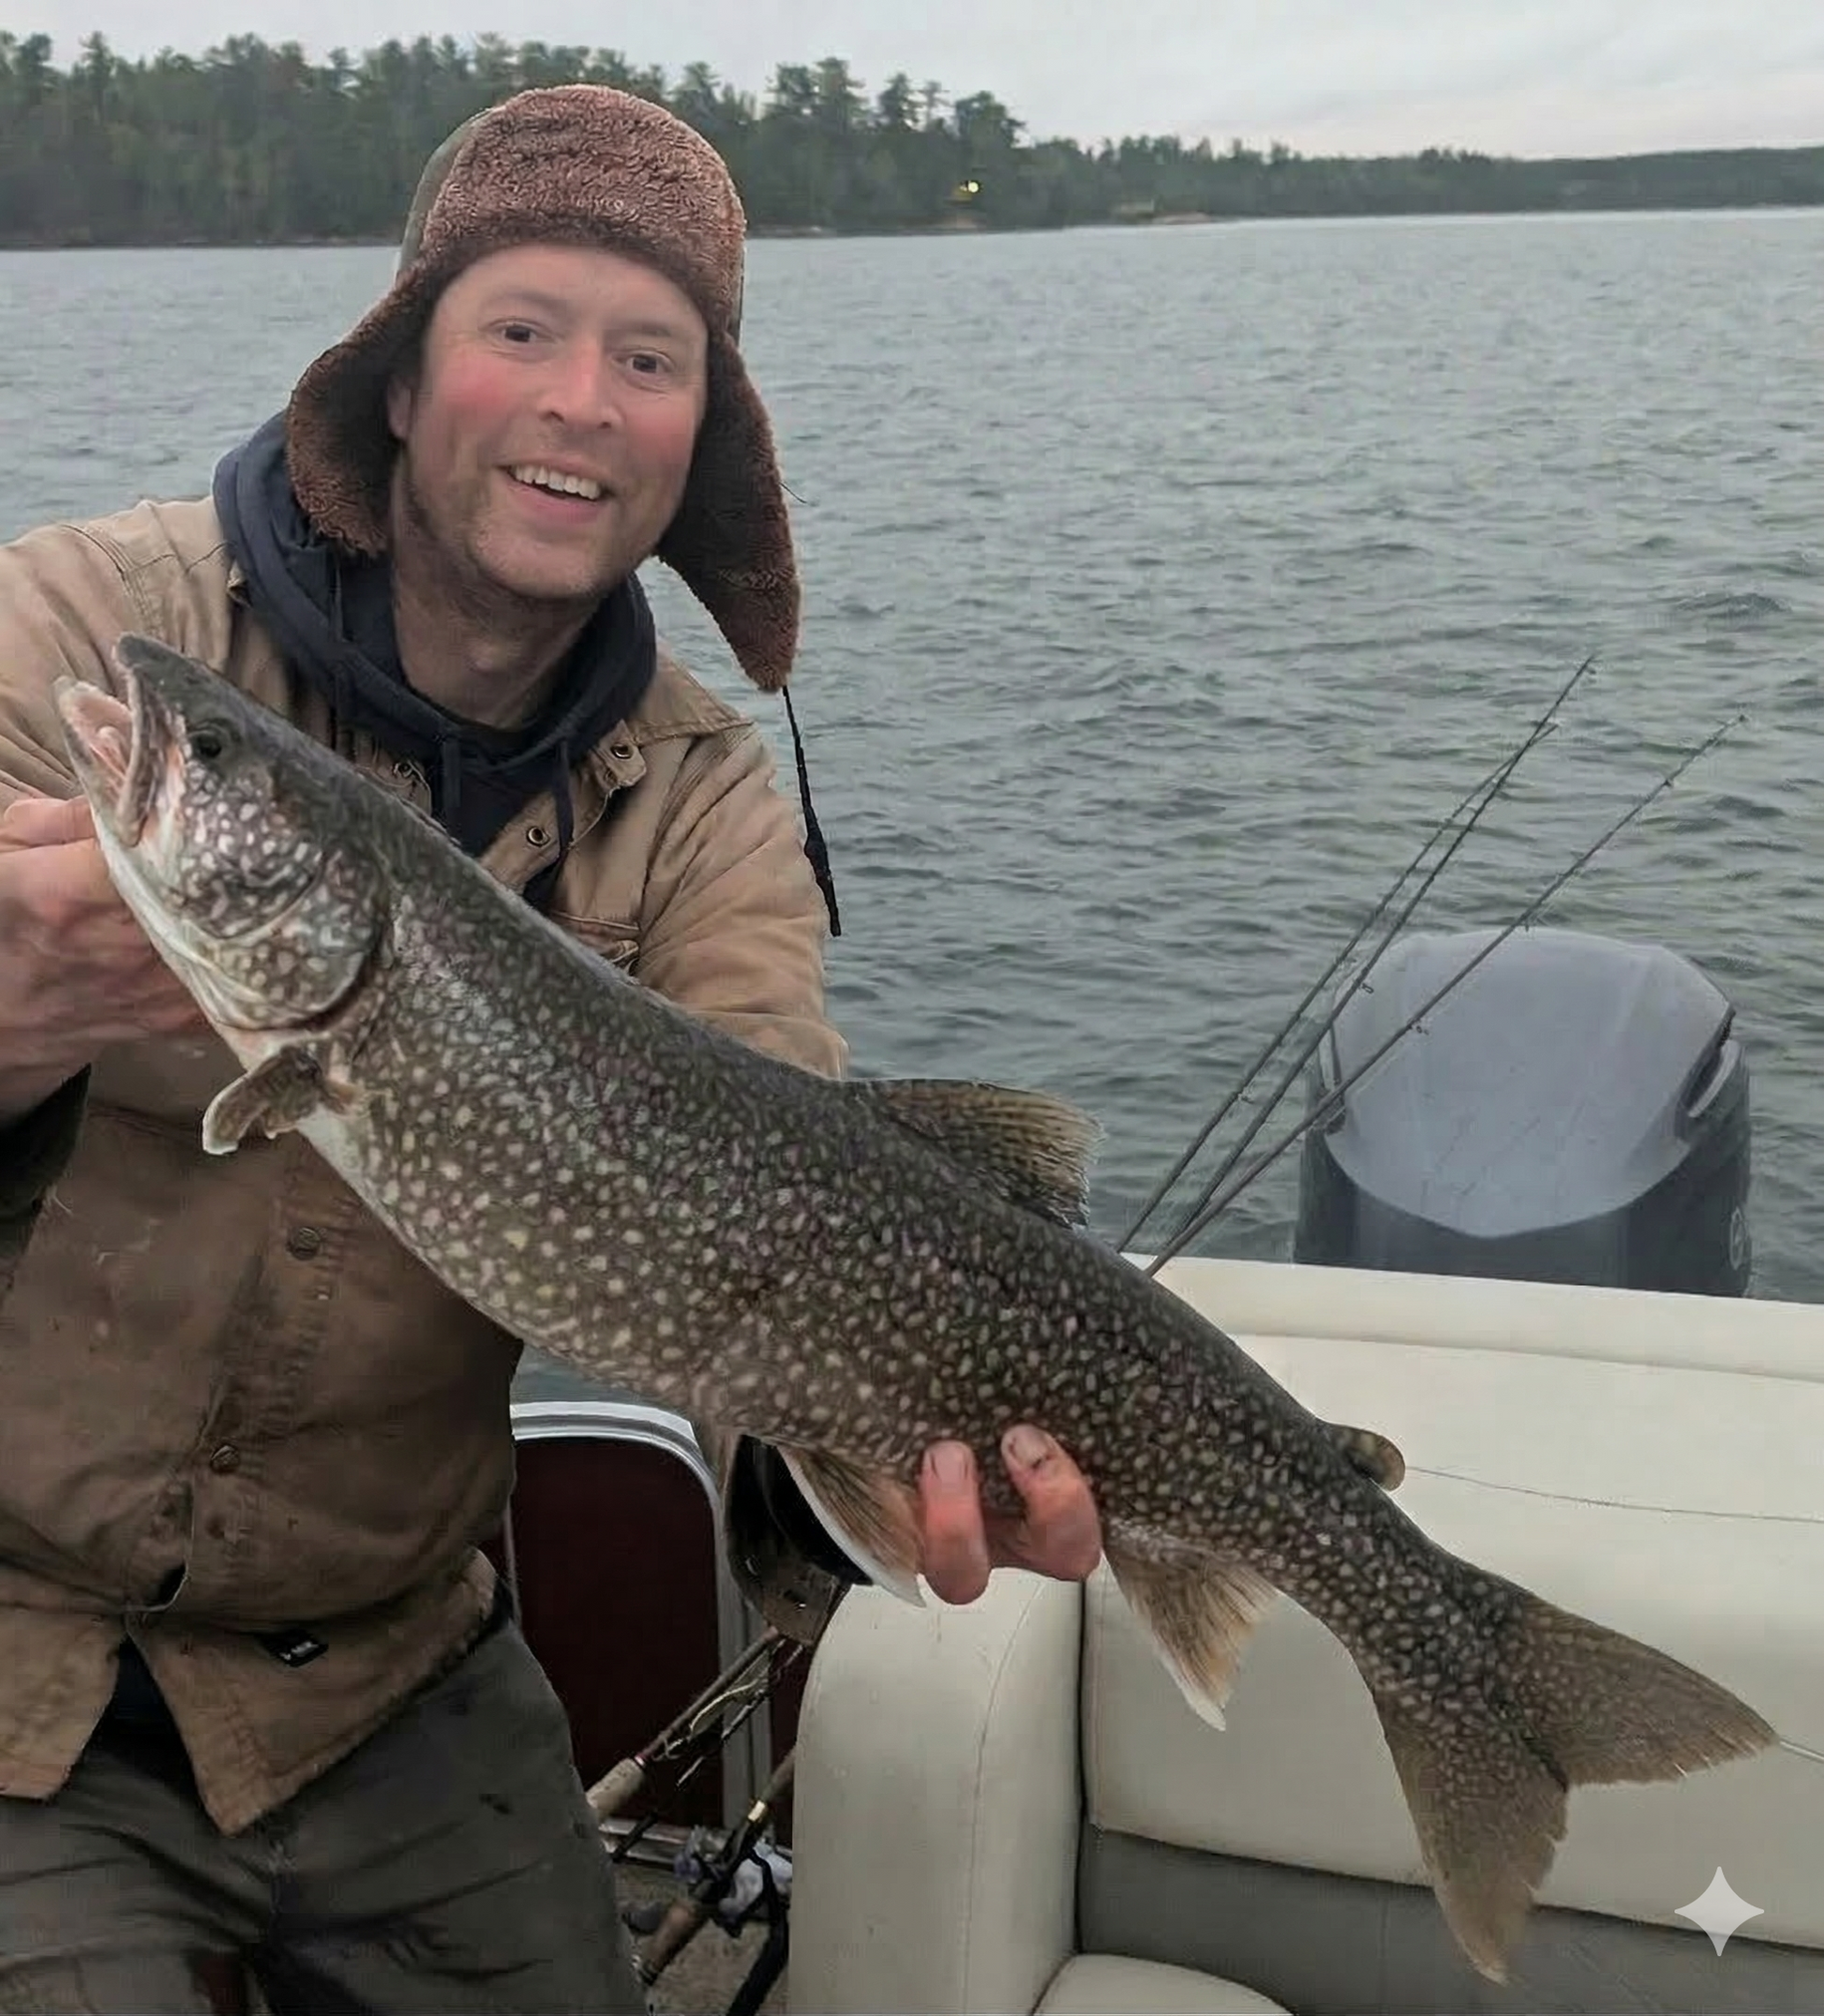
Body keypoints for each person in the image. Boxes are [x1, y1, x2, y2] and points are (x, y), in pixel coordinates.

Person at [0, 84, 1103, 2014]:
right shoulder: (97, 630)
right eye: (520, 327)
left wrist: (895, 1465)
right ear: (401, 380)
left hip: (388, 1672)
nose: (582, 400)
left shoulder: (704, 807)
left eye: (649, 359)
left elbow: (785, 1210)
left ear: (698, 444)